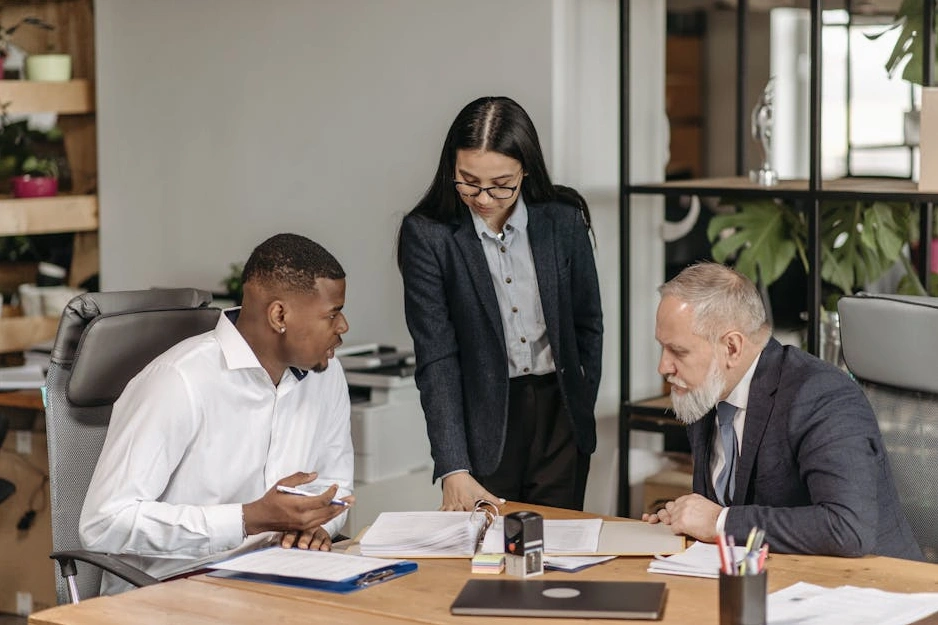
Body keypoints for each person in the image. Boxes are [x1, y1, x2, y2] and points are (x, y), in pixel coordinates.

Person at [80, 233, 356, 594]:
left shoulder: (325, 375)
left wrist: (315, 526)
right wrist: (245, 520)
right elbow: (103, 522)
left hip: (276, 579)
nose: (343, 327)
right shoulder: (178, 381)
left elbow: (336, 489)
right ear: (279, 315)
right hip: (170, 592)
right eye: (332, 314)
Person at [396, 96, 603, 512]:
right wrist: (453, 466)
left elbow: (588, 324)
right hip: (484, 423)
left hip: (560, 414)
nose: (484, 198)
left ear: (526, 169)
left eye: (501, 184)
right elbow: (436, 357)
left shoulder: (562, 218)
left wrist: (580, 399)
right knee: (487, 555)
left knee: (558, 548)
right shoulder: (429, 236)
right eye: (468, 181)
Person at [643, 262, 922, 560]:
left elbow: (846, 528)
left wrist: (718, 522)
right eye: (662, 348)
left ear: (733, 348)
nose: (663, 367)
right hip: (770, 578)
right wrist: (683, 520)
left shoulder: (820, 394)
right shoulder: (706, 393)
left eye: (678, 351)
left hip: (873, 589)